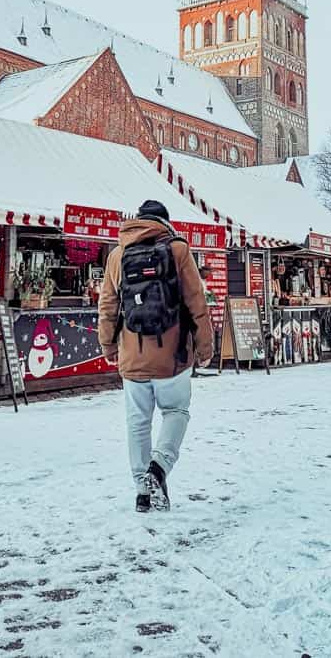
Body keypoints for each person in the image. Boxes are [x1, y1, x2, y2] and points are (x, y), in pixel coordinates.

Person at [98, 200, 213, 513]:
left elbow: (108, 307)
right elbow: (196, 303)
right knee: (176, 411)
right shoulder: (178, 250)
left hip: (131, 355)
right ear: (165, 222)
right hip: (172, 356)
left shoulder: (117, 255)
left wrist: (108, 345)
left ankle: (142, 491)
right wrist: (205, 347)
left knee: (137, 421)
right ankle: (159, 468)